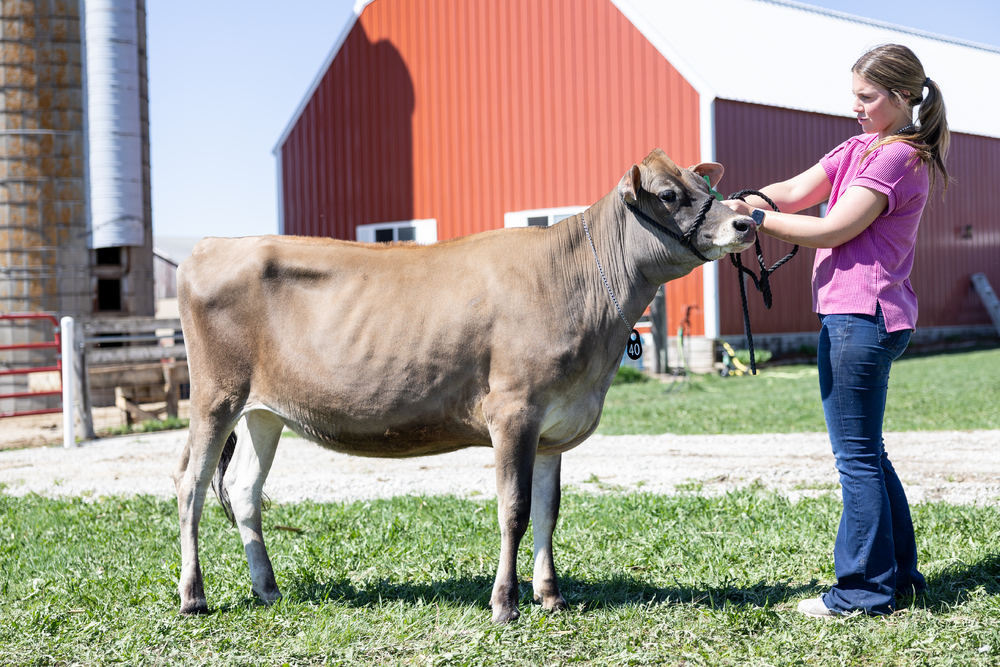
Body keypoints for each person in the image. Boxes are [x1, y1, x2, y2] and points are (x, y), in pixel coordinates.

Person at [722, 43, 950, 617]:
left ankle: (861, 592)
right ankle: (900, 579)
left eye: (866, 97)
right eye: (853, 95)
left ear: (902, 96)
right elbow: (796, 191)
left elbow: (834, 229)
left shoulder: (899, 157)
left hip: (862, 318)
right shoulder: (859, 147)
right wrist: (746, 199)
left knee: (856, 459)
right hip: (856, 317)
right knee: (868, 453)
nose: (855, 106)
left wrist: (753, 219)